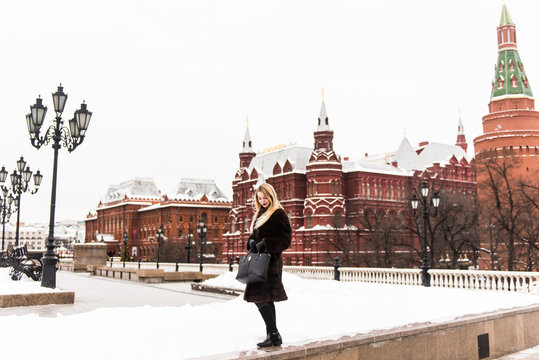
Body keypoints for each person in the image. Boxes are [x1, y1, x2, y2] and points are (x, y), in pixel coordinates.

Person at [244, 183, 292, 348]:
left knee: (261, 298)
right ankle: (272, 334)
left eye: (265, 198)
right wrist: (251, 241)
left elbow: (286, 240)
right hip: (259, 263)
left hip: (270, 264)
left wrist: (265, 244)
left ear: (272, 196)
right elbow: (255, 235)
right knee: (266, 299)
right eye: (260, 198)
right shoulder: (260, 214)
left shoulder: (278, 214)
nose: (263, 201)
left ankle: (273, 334)